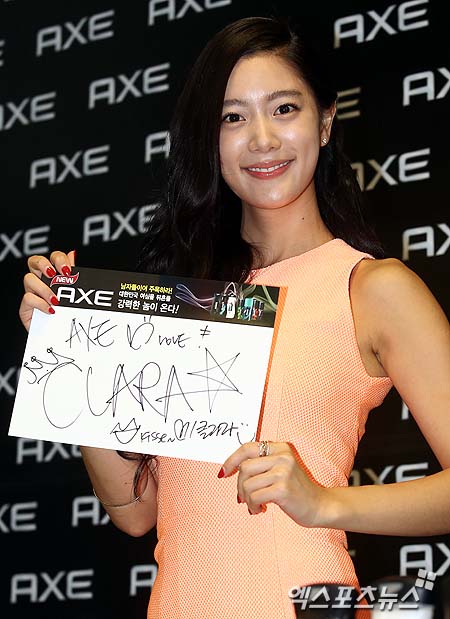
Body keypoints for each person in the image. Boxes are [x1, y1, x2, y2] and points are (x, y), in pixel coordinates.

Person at [18, 16, 450, 619]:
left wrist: (325, 503)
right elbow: (137, 514)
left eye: (284, 109)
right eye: (233, 117)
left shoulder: (372, 287)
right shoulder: (184, 302)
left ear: (325, 121)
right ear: (209, 138)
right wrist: (71, 344)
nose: (263, 139)